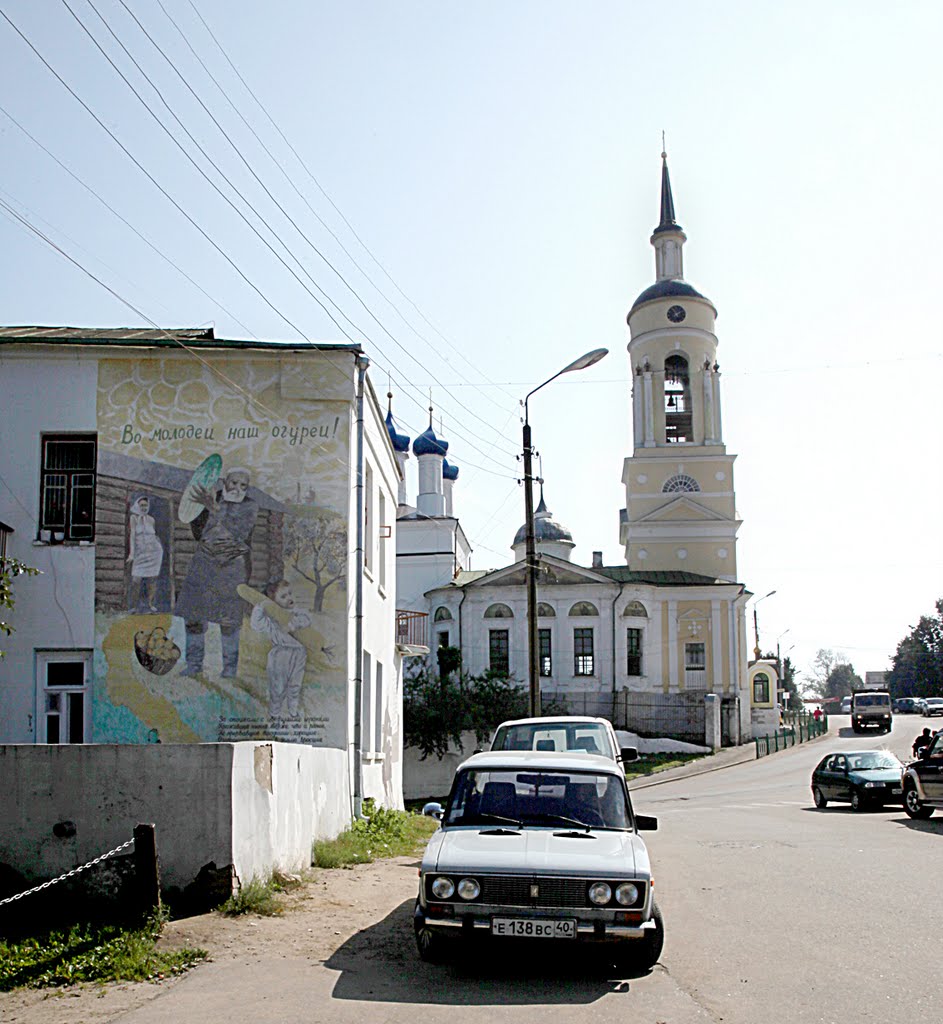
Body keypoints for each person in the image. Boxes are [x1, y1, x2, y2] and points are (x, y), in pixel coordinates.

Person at [175, 467, 258, 679]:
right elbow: (197, 532)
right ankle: (194, 665)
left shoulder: (250, 506)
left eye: (243, 485)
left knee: (229, 621)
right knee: (193, 616)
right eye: (234, 483)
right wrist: (202, 509)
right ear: (224, 482)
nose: (238, 489)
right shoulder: (210, 498)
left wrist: (215, 509)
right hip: (204, 564)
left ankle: (229, 670)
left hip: (232, 567)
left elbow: (240, 532)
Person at [250, 579, 312, 718]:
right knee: (278, 687)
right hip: (280, 654)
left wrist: (293, 625)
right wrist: (260, 607)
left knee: (295, 684)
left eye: (289, 594)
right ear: (273, 601)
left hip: (299, 653)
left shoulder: (296, 613)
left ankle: (293, 710)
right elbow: (256, 625)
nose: (289, 598)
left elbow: (307, 619)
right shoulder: (271, 619)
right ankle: (275, 713)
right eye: (283, 596)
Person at [127, 494, 163, 612]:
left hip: (153, 553)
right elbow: (132, 535)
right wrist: (132, 554)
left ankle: (151, 604)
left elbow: (154, 535)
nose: (144, 508)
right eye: (141, 505)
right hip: (140, 553)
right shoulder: (134, 518)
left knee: (152, 580)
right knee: (136, 580)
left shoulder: (151, 520)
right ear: (137, 505)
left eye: (146, 505)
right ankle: (133, 606)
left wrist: (158, 546)